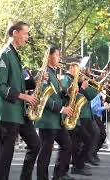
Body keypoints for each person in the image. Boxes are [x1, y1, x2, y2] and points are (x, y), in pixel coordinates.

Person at [0, 21, 41, 180]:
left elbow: (19, 82)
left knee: (35, 145)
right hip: (8, 112)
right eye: (25, 33)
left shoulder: (15, 54)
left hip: (19, 111)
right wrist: (24, 96)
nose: (27, 37)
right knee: (6, 155)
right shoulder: (5, 54)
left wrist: (37, 81)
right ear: (14, 33)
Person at [34, 45, 74, 180]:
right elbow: (43, 98)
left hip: (56, 120)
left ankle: (59, 174)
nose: (59, 58)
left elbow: (56, 95)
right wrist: (63, 109)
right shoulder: (44, 73)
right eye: (57, 55)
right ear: (49, 56)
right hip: (47, 120)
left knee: (67, 145)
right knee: (45, 152)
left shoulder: (53, 73)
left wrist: (67, 93)